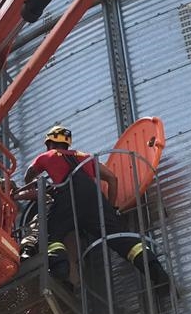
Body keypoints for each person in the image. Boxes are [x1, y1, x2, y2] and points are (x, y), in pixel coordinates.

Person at [23, 125, 169, 295]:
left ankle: (62, 274)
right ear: (68, 143)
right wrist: (110, 209)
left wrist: (38, 183)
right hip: (95, 201)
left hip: (68, 198)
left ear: (49, 143)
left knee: (48, 235)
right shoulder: (86, 157)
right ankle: (160, 276)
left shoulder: (46, 156)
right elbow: (112, 179)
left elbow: (28, 176)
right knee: (126, 242)